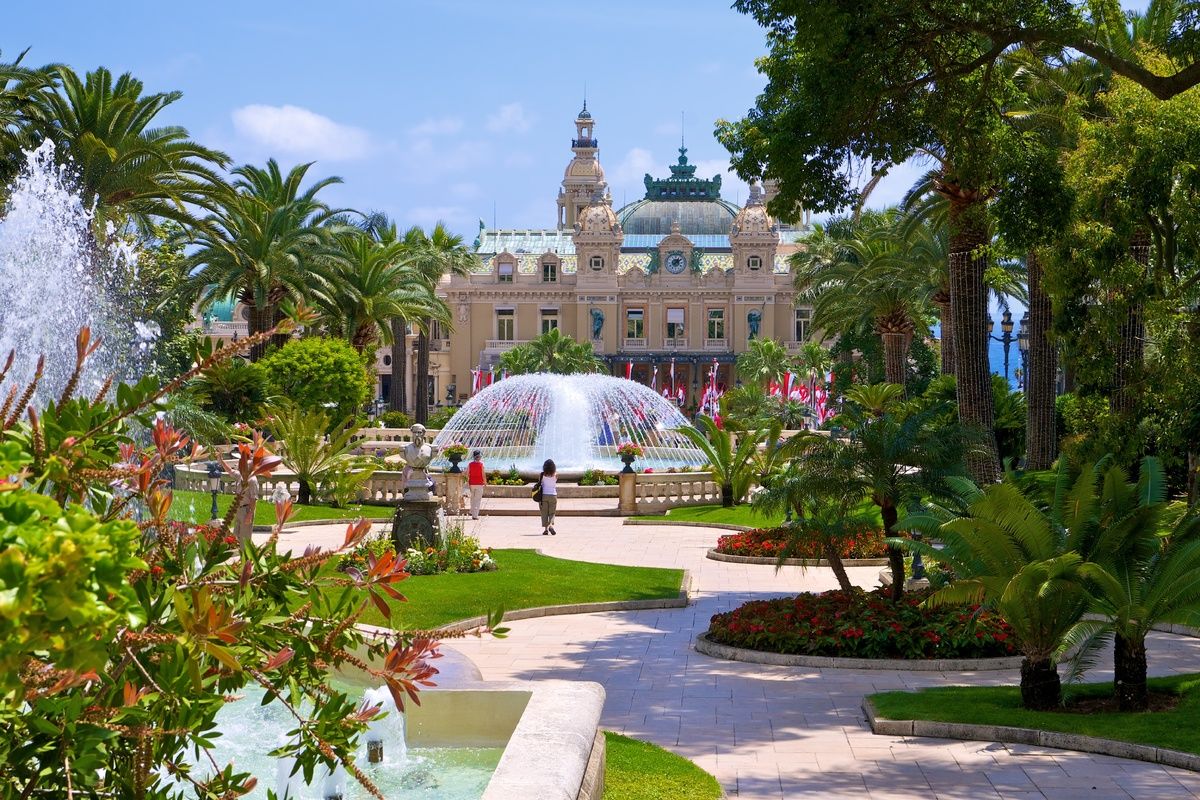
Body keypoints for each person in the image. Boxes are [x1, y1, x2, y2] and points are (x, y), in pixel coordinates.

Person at [537, 458, 558, 536]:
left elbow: (539, 483)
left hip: (543, 496)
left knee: (544, 513)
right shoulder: (556, 475)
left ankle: (546, 530)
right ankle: (550, 526)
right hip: (553, 495)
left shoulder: (542, 475)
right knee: (552, 512)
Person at [467, 450, 486, 520]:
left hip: (472, 483)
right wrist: (485, 482)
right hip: (479, 484)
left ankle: (472, 511)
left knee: (472, 498)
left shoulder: (470, 464)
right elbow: (483, 474)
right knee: (477, 499)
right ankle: (475, 515)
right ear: (479, 457)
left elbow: (467, 473)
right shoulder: (481, 464)